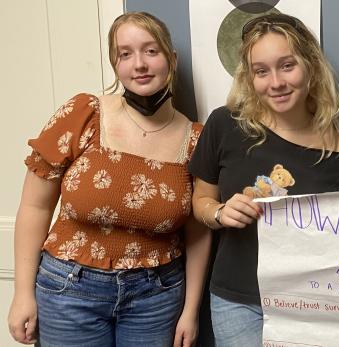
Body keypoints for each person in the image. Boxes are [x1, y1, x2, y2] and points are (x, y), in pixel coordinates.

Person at [7, 12, 210, 347]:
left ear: (171, 59)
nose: (139, 64)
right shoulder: (84, 114)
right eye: (125, 54)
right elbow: (34, 207)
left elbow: (198, 234)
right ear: (115, 64)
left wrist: (191, 310)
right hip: (68, 290)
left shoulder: (195, 139)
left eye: (151, 51)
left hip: (156, 297)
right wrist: (21, 294)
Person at [188, 13, 339, 346]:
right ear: (250, 77)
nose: (275, 83)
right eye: (261, 71)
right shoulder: (225, 125)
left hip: (309, 304)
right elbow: (199, 202)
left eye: (287, 66)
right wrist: (219, 213)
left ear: (311, 67)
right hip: (237, 301)